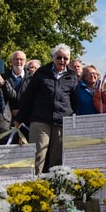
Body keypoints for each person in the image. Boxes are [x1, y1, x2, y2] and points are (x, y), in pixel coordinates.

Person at [17, 45, 79, 174]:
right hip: (40, 119)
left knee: (57, 159)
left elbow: (75, 100)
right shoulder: (41, 73)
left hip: (61, 121)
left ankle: (53, 188)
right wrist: (20, 118)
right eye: (59, 57)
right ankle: (33, 187)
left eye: (66, 58)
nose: (62, 61)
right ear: (53, 57)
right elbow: (29, 96)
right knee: (38, 155)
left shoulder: (72, 76)